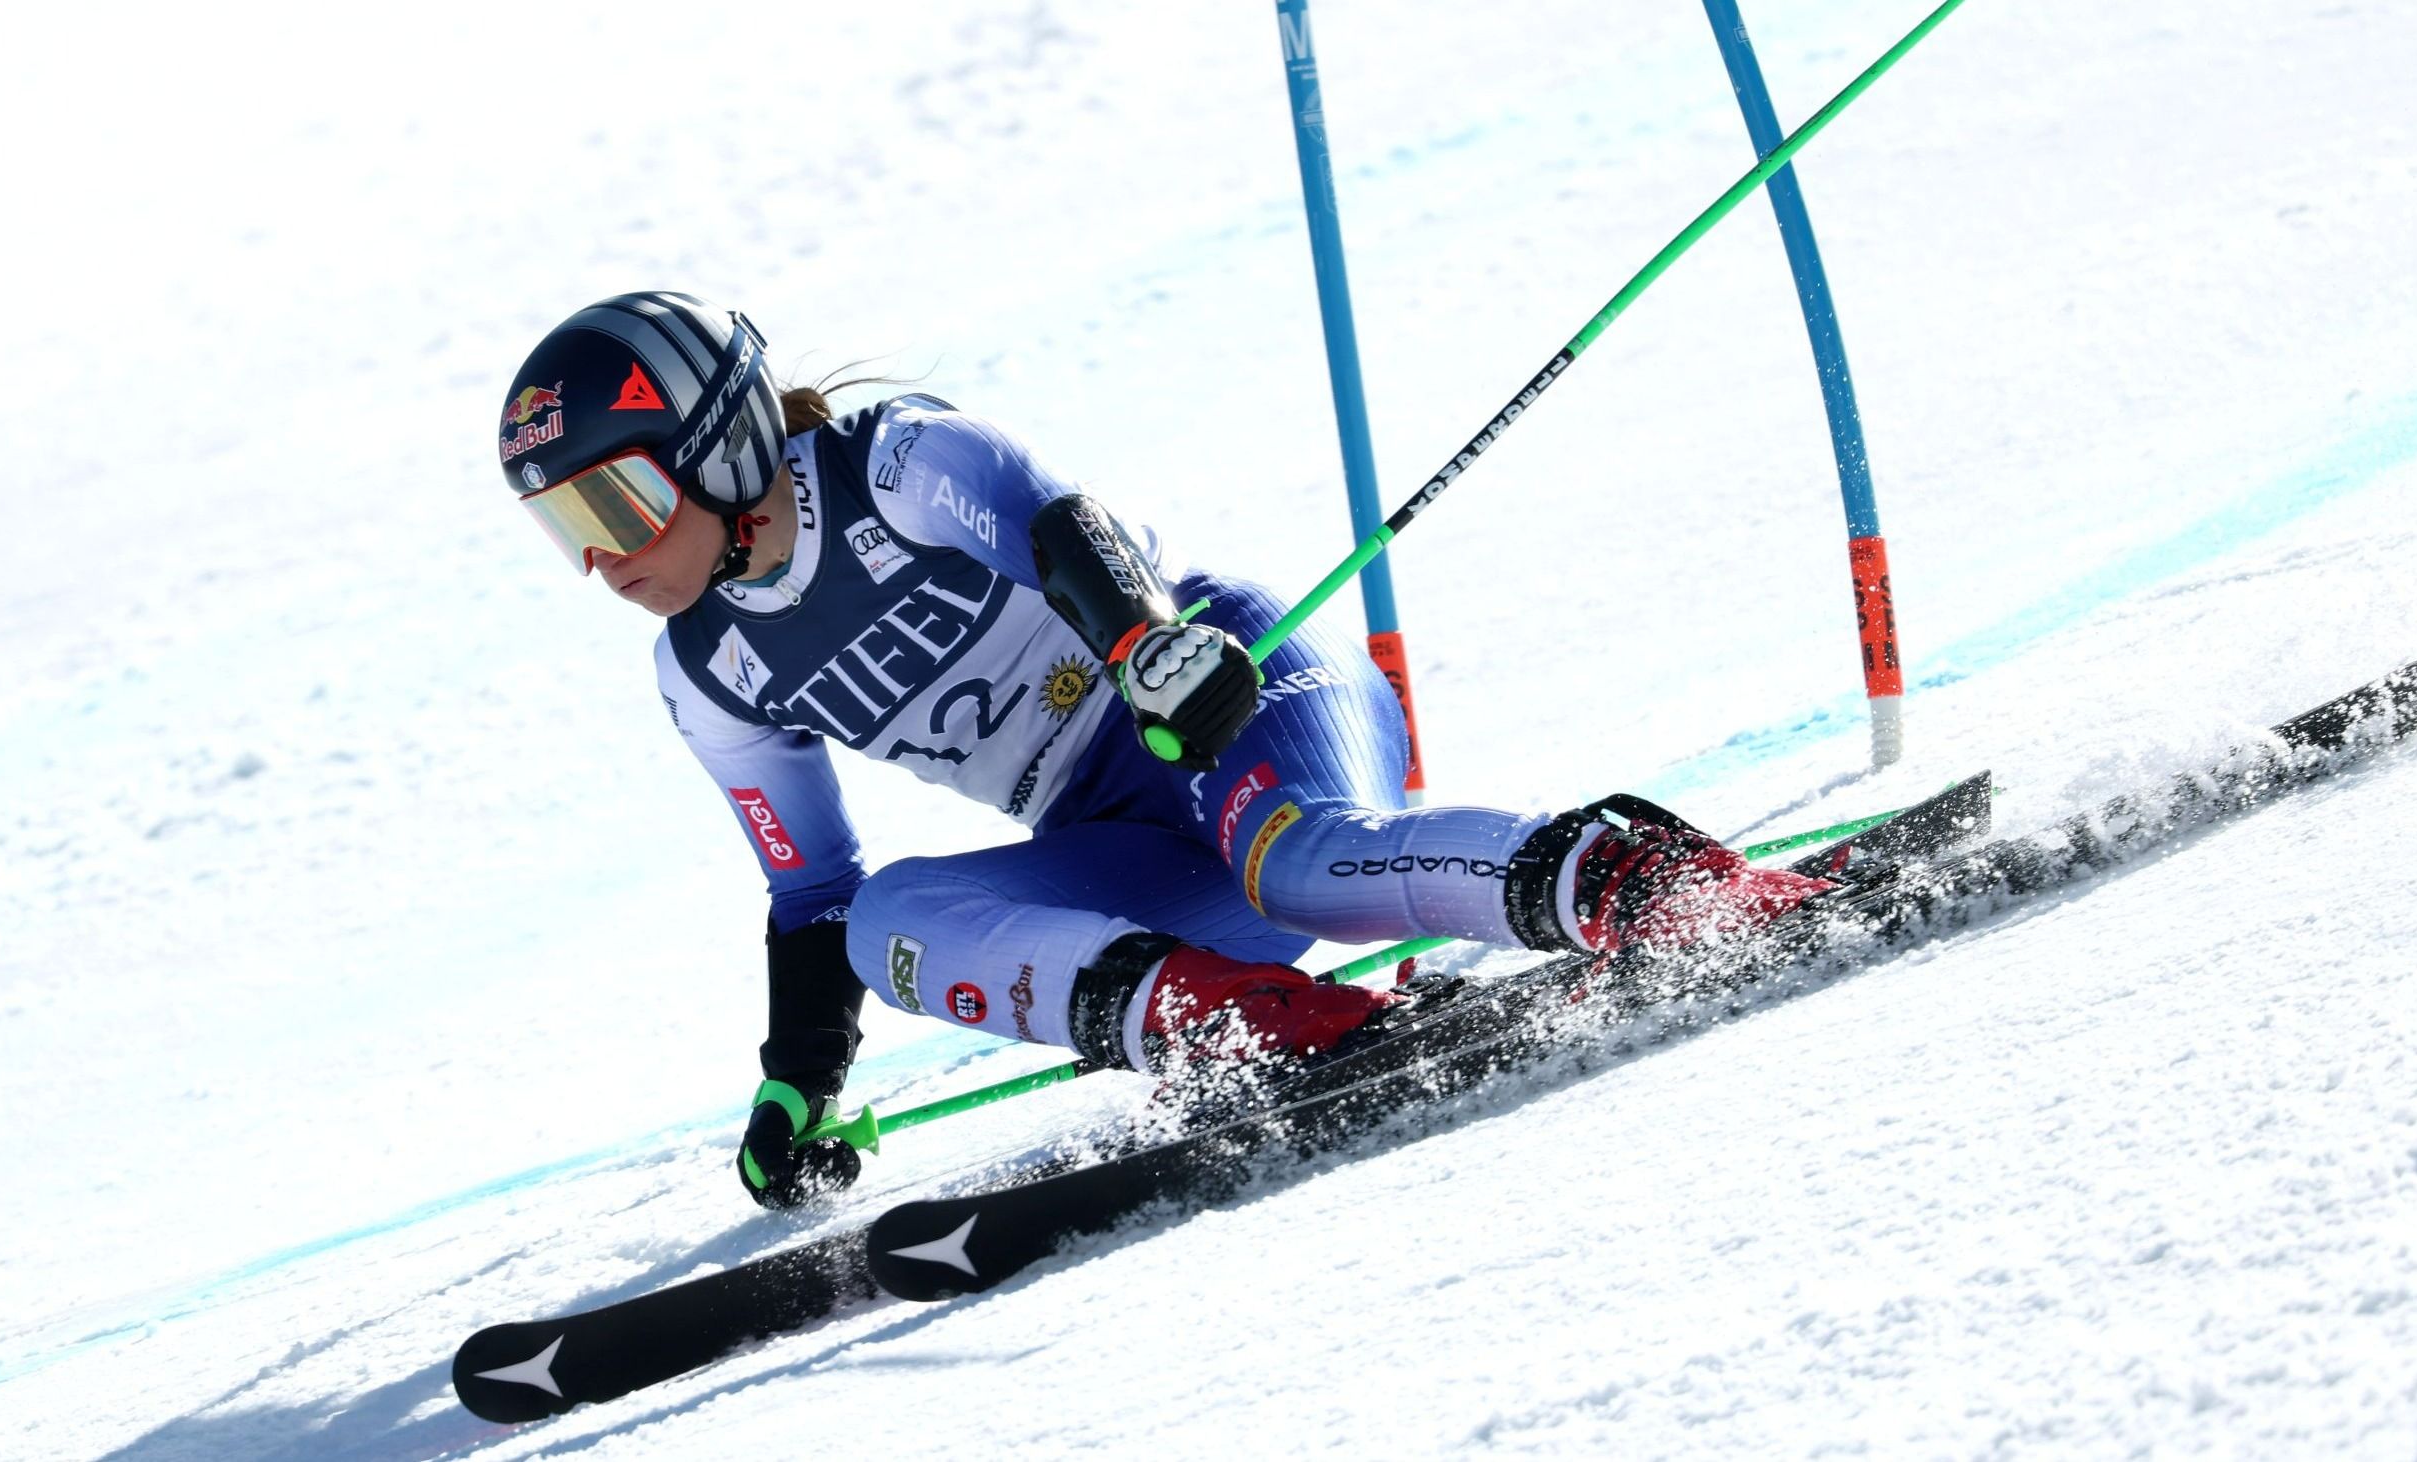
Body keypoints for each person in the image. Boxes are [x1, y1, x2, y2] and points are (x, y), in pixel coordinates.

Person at [496, 291, 1830, 1208]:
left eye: (618, 495)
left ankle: (1642, 885)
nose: (605, 556)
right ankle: (1255, 1030)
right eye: (570, 527)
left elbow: (1048, 523)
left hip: (1217, 697)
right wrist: (800, 1080)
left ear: (720, 444)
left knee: (1298, 869)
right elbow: (814, 892)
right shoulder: (706, 672)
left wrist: (1142, 644)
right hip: (1113, 835)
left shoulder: (890, 466)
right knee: (890, 918)